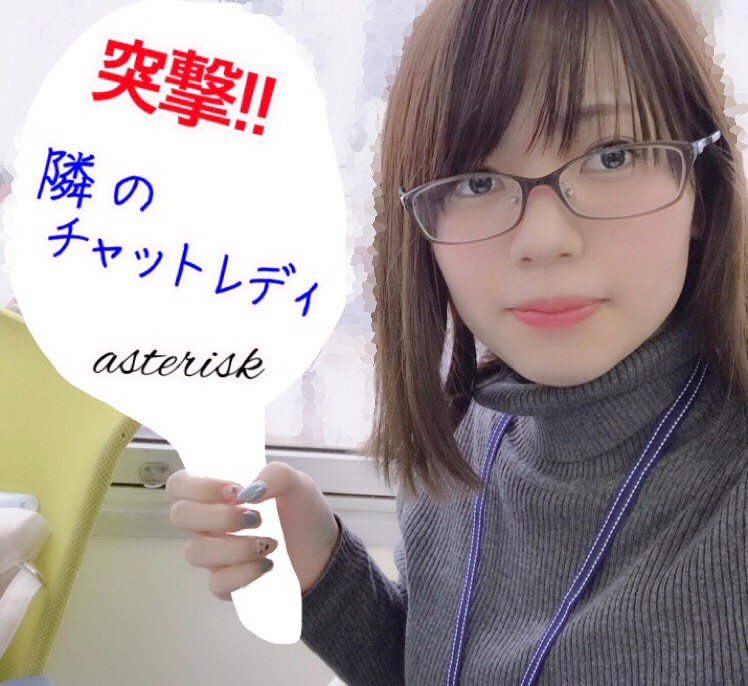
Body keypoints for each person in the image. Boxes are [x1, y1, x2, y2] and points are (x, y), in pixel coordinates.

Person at [166, 0, 748, 683]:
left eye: (610, 156)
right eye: (478, 181)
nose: (544, 239)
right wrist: (324, 570)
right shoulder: (468, 432)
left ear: (702, 186)